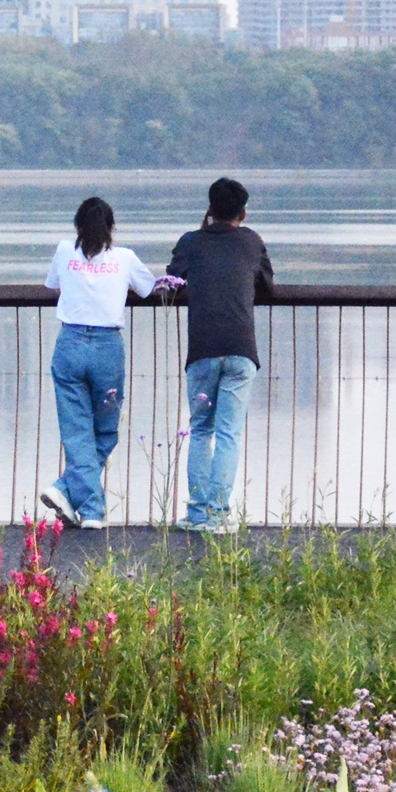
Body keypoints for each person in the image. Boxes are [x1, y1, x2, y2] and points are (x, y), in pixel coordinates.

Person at [165, 177, 274, 533]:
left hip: (204, 349)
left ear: (209, 210)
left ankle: (197, 514)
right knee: (228, 433)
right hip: (242, 349)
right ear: (243, 213)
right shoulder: (252, 241)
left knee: (200, 430)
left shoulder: (190, 242)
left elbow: (172, 278)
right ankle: (217, 515)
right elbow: (267, 286)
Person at [40, 196, 156, 528]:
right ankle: (87, 506)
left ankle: (72, 493)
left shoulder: (65, 251)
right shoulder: (125, 258)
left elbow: (53, 285)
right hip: (107, 347)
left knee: (76, 430)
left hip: (70, 343)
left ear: (77, 226)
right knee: (105, 430)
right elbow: (148, 289)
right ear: (111, 229)